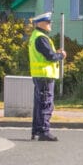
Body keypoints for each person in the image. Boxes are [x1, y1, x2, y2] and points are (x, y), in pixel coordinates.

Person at [27, 12, 67, 142]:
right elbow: (50, 56)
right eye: (48, 22)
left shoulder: (35, 36)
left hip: (39, 74)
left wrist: (55, 53)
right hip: (45, 75)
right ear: (40, 23)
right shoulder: (41, 38)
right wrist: (61, 55)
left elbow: (45, 54)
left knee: (39, 104)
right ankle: (43, 131)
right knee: (46, 104)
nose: (50, 24)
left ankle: (36, 131)